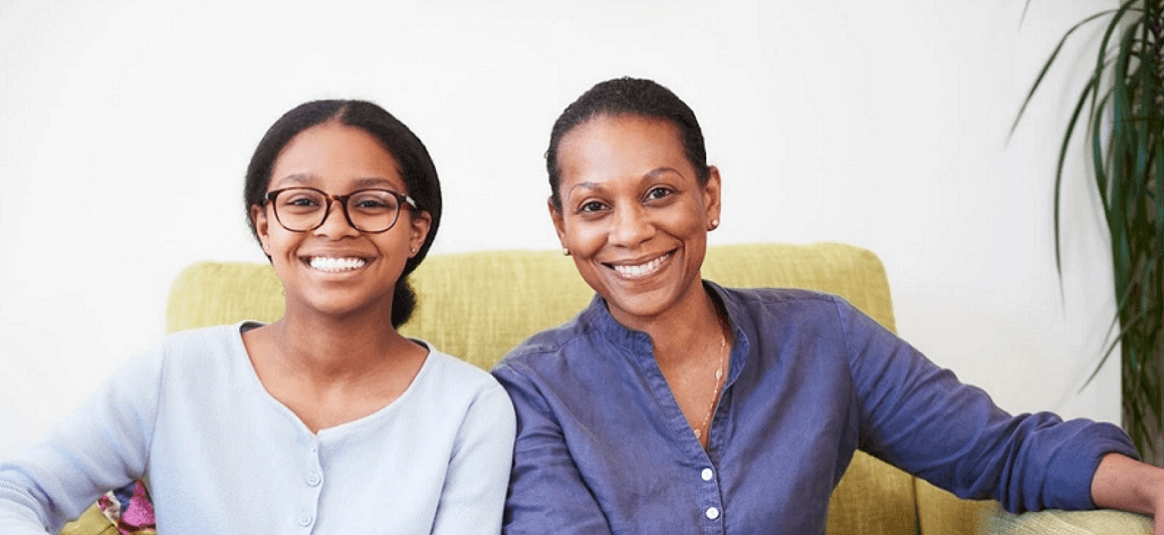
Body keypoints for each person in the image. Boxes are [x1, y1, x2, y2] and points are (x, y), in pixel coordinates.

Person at [490, 77, 1164, 535]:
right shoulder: (530, 391)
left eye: (659, 192)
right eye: (594, 207)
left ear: (710, 196)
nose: (631, 231)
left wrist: (1150, 489)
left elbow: (1003, 451)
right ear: (561, 227)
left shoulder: (823, 338)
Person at [0, 100, 516, 534]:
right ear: (264, 225)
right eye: (302, 201)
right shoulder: (174, 374)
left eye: (372, 203)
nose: (334, 226)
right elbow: (19, 489)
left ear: (416, 231)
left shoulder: (471, 408)